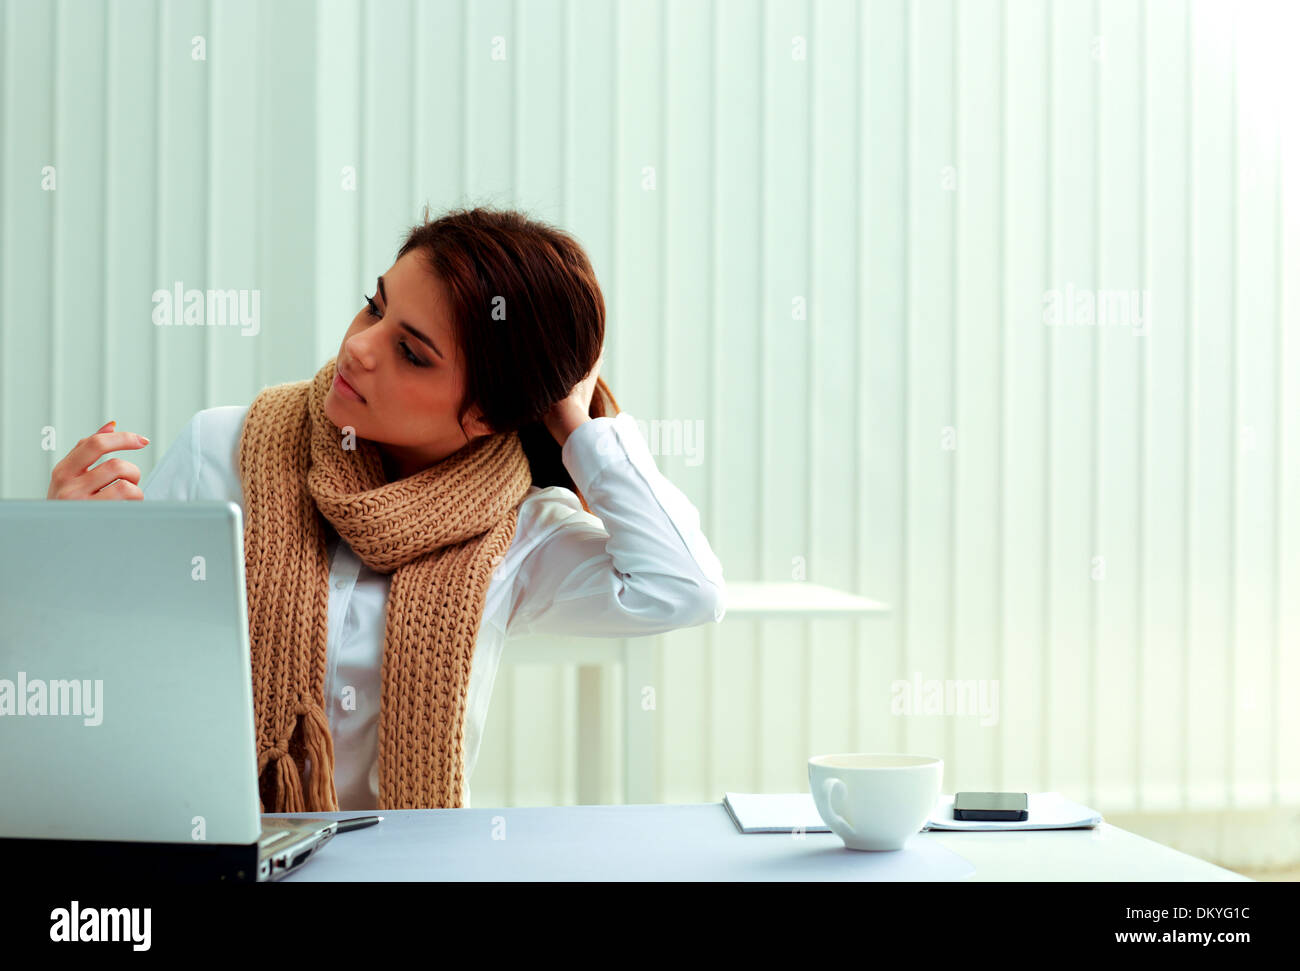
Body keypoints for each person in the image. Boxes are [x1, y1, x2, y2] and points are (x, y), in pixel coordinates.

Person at [45, 205, 726, 812]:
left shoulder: (518, 534)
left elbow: (684, 588)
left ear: (486, 414)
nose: (359, 347)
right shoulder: (222, 450)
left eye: (411, 352)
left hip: (403, 867)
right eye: (374, 307)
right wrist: (62, 557)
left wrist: (574, 421)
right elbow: (107, 675)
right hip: (216, 854)